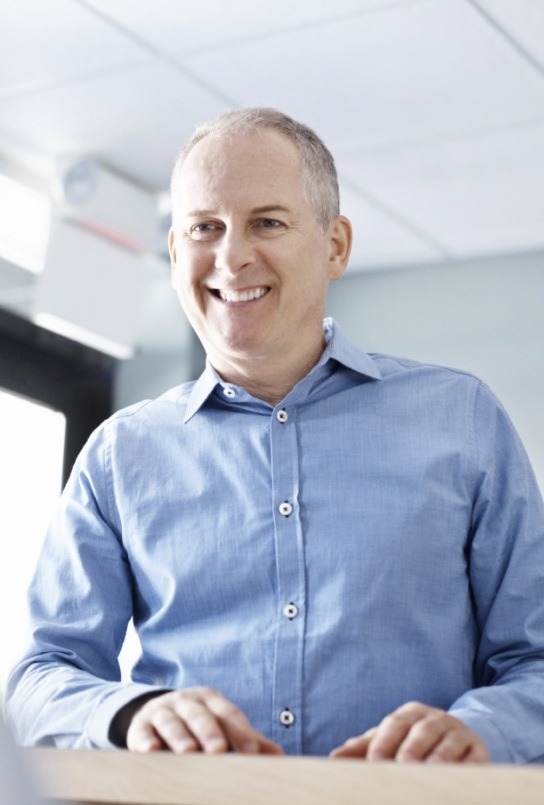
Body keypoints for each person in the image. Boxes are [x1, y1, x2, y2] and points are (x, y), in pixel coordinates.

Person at [6, 108, 544, 764]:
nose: (232, 257)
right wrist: (130, 711)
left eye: (267, 221)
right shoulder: (119, 457)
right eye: (205, 227)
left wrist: (483, 729)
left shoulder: (462, 420)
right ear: (176, 253)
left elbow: (536, 659)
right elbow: (38, 681)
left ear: (335, 246)